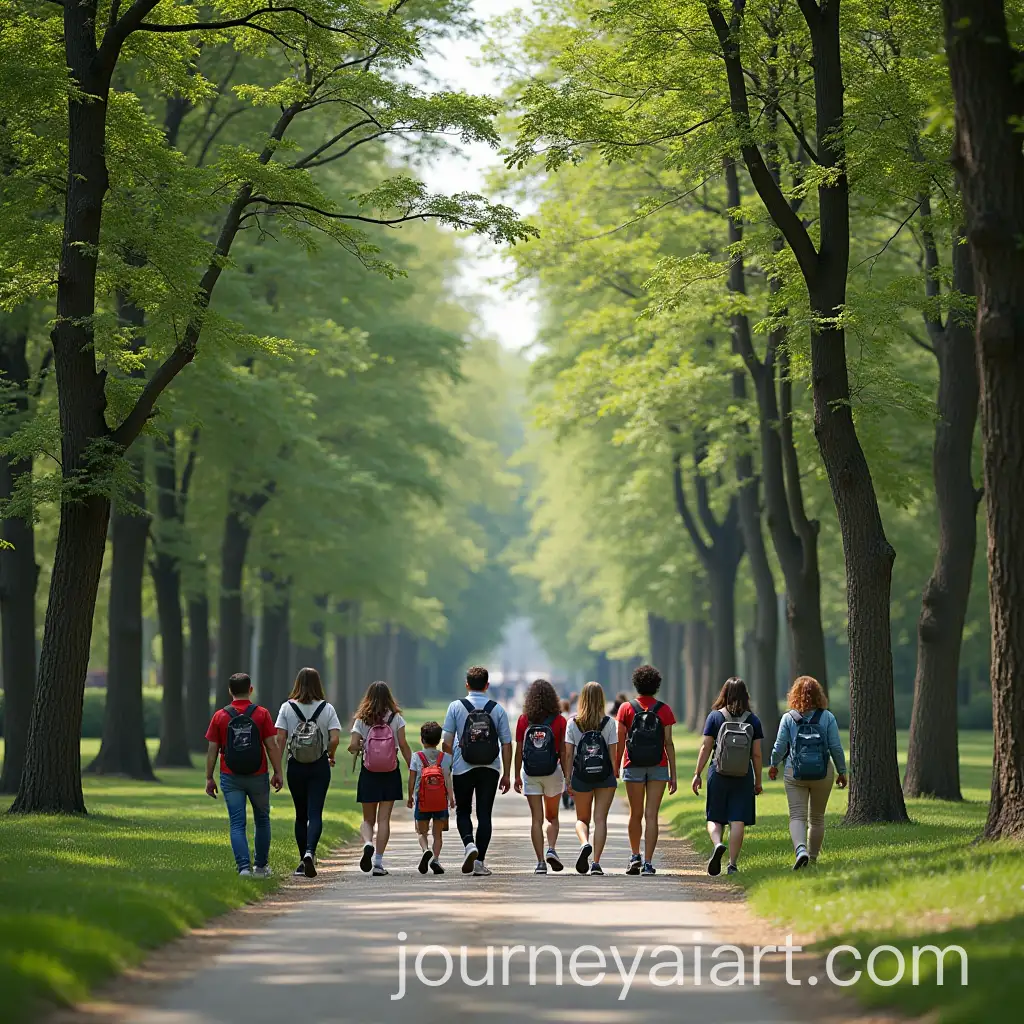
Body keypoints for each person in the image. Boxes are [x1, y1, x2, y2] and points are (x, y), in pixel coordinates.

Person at [204, 672, 283, 877]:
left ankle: (243, 868)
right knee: (262, 819)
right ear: (250, 689)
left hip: (231, 777)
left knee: (237, 823)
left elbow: (212, 750)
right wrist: (278, 772)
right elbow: (271, 746)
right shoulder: (262, 714)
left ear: (230, 691)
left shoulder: (220, 716)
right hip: (258, 775)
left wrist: (209, 777)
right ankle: (260, 866)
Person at [768, 675, 848, 869]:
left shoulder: (789, 718)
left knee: (797, 815)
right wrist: (842, 771)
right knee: (817, 818)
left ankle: (800, 850)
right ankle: (812, 859)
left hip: (794, 772)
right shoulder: (827, 717)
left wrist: (773, 764)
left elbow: (780, 746)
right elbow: (836, 747)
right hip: (823, 773)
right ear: (819, 695)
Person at [442, 665, 513, 876]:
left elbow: (446, 741)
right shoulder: (497, 709)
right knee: (485, 814)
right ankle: (480, 861)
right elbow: (507, 743)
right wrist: (507, 773)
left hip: (462, 766)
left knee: (463, 811)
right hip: (490, 767)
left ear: (467, 685)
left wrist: (447, 766)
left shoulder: (456, 707)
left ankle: (468, 844)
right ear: (487, 685)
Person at [692, 676, 764, 876]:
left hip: (718, 771)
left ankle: (717, 844)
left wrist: (697, 773)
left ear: (724, 694)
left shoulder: (715, 717)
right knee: (737, 819)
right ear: (745, 695)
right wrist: (758, 781)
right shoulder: (753, 720)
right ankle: (732, 864)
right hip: (743, 774)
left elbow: (706, 747)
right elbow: (757, 754)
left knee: (715, 817)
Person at [274, 666, 342, 878]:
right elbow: (335, 738)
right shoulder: (327, 708)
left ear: (297, 683)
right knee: (315, 813)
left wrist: (278, 767)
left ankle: (302, 859)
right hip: (319, 765)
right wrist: (330, 754)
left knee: (300, 815)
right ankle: (311, 852)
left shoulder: (287, 708)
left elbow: (280, 738)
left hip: (296, 765)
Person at [615, 664, 677, 875]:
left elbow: (621, 740)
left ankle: (635, 856)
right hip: (658, 766)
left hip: (633, 765)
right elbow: (668, 743)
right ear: (656, 685)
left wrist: (616, 768)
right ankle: (649, 863)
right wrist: (673, 775)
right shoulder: (664, 709)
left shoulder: (626, 708)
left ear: (636, 684)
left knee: (635, 813)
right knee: (652, 815)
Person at [348, 680, 412, 876]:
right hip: (390, 772)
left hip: (369, 772)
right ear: (389, 697)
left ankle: (368, 843)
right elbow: (403, 745)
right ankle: (378, 863)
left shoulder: (362, 719)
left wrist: (361, 746)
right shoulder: (396, 718)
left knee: (368, 819)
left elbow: (352, 746)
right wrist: (413, 767)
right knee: (384, 820)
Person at [564, 680, 619, 875]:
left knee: (582, 819)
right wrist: (615, 771)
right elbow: (614, 753)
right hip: (604, 775)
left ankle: (584, 842)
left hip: (581, 776)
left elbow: (569, 754)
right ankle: (596, 863)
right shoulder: (610, 723)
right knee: (601, 819)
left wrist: (568, 779)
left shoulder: (573, 723)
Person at [514, 678, 567, 874]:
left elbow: (519, 749)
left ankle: (540, 862)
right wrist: (567, 776)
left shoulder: (523, 720)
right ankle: (551, 849)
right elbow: (563, 750)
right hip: (553, 771)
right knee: (552, 817)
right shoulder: (560, 721)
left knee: (536, 819)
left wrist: (516, 776)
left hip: (531, 772)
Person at [407, 720, 456, 874]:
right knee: (438, 834)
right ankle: (435, 858)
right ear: (438, 740)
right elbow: (448, 779)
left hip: (422, 801)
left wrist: (410, 796)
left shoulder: (416, 757)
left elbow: (412, 779)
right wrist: (451, 798)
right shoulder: (446, 758)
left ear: (422, 739)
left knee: (422, 832)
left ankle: (425, 850)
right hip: (440, 801)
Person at [560, 698, 575, 810]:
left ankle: (565, 792)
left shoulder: (560, 718)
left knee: (564, 774)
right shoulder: (571, 717)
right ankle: (572, 799)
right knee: (571, 773)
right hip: (571, 748)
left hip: (562, 749)